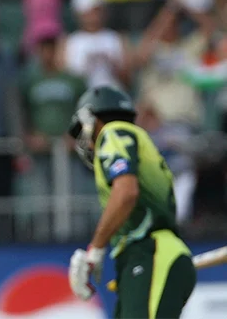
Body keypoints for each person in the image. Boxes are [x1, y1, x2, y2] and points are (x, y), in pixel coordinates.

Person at [66, 86, 196, 319]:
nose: (86, 143)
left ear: (92, 119)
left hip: (151, 253)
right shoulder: (137, 141)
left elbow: (126, 193)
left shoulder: (113, 132)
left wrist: (95, 249)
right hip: (148, 256)